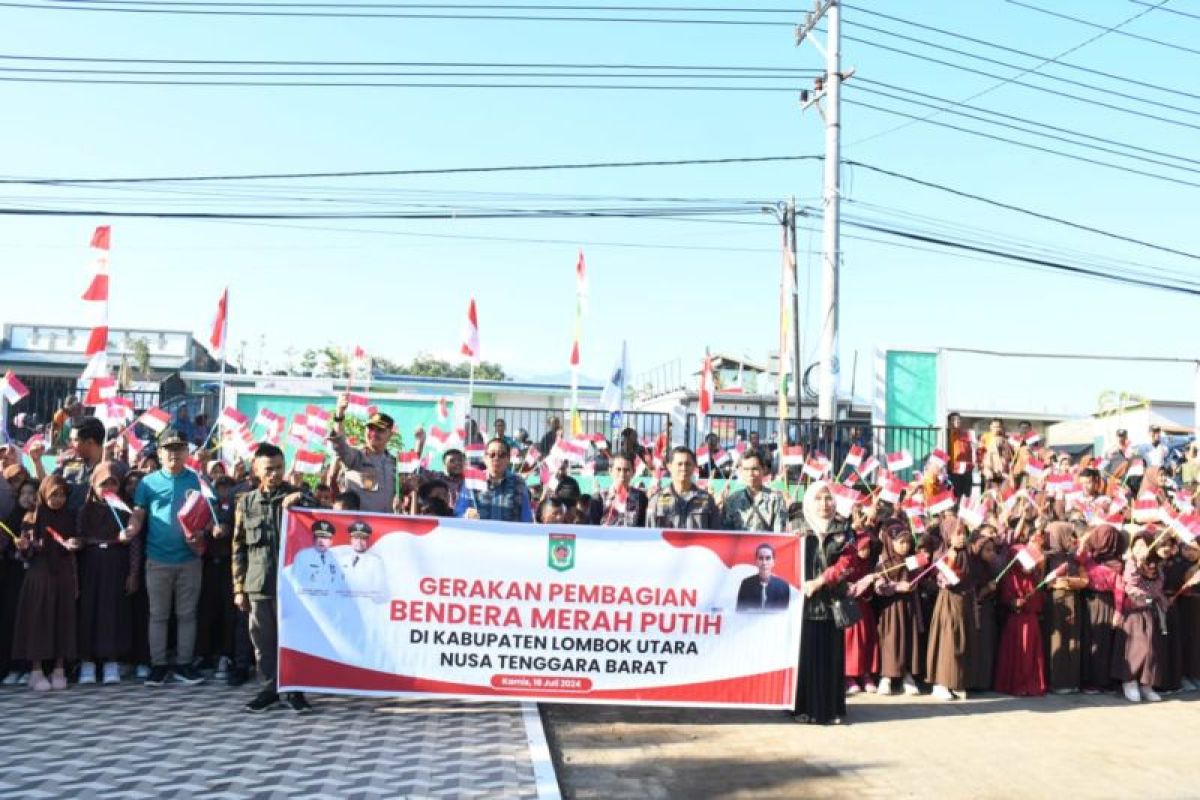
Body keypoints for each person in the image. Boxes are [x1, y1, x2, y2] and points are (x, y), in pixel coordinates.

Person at [232, 442, 315, 713]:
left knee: (292, 639)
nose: (275, 474)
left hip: (293, 584)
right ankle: (269, 689)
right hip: (259, 582)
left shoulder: (297, 496)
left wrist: (301, 499)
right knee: (263, 642)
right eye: (269, 469)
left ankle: (294, 690)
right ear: (256, 469)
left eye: (279, 468)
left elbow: (321, 512)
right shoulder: (246, 502)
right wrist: (239, 588)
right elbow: (239, 546)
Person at [123, 428, 207, 687]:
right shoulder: (148, 483)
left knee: (187, 615)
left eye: (179, 449)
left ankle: (183, 664)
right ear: (159, 453)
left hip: (189, 559)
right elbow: (139, 512)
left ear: (186, 453)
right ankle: (158, 666)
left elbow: (204, 515)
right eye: (169, 450)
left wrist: (201, 534)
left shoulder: (196, 480)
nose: (174, 454)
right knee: (158, 615)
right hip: (157, 559)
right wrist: (131, 527)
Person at [793, 481, 854, 724]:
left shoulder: (843, 529)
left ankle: (830, 710)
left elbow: (846, 564)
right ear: (809, 501)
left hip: (832, 603)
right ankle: (803, 708)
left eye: (828, 498)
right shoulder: (796, 527)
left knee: (830, 657)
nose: (824, 504)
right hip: (803, 605)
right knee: (805, 657)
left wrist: (819, 582)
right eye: (818, 498)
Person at [11, 476, 79, 691]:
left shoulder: (69, 516)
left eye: (61, 495)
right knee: (38, 620)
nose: (58, 499)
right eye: (53, 495)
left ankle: (59, 668)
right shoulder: (32, 517)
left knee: (62, 618)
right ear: (44, 494)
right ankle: (36, 670)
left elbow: (79, 539)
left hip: (64, 575)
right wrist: (24, 547)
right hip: (39, 576)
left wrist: (76, 543)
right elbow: (26, 554)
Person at [76, 463, 135, 685]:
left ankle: (111, 661)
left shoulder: (124, 509)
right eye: (104, 484)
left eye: (113, 483)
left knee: (113, 611)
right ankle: (87, 662)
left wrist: (133, 572)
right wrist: (78, 542)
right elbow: (79, 535)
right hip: (90, 566)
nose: (109, 487)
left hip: (115, 565)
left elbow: (134, 545)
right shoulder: (85, 510)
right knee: (89, 611)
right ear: (94, 485)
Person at [925, 516, 977, 701]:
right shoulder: (942, 554)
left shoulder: (967, 552)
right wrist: (950, 561)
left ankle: (957, 681)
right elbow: (944, 581)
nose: (962, 537)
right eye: (957, 534)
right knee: (948, 641)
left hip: (964, 602)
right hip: (948, 602)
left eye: (964, 533)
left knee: (962, 640)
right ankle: (941, 683)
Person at [1113, 533, 1166, 703]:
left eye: (1143, 545)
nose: (1139, 549)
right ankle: (1129, 681)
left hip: (1150, 611)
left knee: (1152, 648)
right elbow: (1130, 584)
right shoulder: (1130, 564)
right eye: (1136, 545)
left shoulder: (1155, 566)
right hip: (1134, 612)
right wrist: (1136, 563)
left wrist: (1152, 597)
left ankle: (1146, 684)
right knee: (1136, 647)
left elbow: (1158, 586)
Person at [874, 519, 922, 696]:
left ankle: (906, 676)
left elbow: (919, 577)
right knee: (890, 641)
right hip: (890, 609)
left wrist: (913, 584)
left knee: (908, 640)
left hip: (909, 607)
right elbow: (878, 587)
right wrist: (895, 587)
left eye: (908, 542)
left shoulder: (912, 561)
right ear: (889, 542)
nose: (905, 546)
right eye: (901, 542)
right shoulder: (883, 564)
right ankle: (886, 676)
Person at [994, 534, 1047, 697]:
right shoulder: (1009, 577)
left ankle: (1031, 683)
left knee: (1030, 655)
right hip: (1015, 622)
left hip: (1030, 621)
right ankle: (1016, 684)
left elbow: (1039, 600)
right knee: (1017, 655)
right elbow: (1005, 598)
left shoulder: (1033, 576)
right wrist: (1014, 602)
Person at [1042, 522, 1089, 694]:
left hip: (1073, 599)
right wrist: (1055, 583)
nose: (1072, 539)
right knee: (1058, 640)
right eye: (1068, 535)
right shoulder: (1048, 557)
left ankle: (1071, 681)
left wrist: (1070, 582)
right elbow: (1042, 582)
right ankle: (1057, 681)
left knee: (1072, 639)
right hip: (1056, 603)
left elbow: (1084, 579)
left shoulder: (1073, 557)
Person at [329, 400, 398, 514]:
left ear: (390, 434)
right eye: (370, 428)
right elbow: (339, 445)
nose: (374, 433)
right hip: (358, 527)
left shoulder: (394, 463)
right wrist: (339, 414)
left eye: (380, 430)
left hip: (385, 526)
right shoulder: (356, 457)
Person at [455, 438, 533, 522]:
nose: (496, 458)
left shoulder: (518, 482)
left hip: (509, 534)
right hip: (480, 533)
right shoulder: (473, 480)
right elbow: (458, 512)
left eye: (501, 455)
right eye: (492, 454)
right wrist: (465, 516)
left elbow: (526, 517)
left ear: (508, 459)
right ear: (485, 458)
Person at [645, 447, 720, 530]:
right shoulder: (656, 500)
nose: (684, 468)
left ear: (694, 466)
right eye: (679, 464)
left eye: (688, 464)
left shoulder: (707, 500)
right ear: (669, 467)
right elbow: (649, 534)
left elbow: (716, 534)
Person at [722, 452, 787, 532]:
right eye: (746, 469)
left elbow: (779, 533)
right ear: (741, 472)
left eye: (755, 469)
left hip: (766, 544)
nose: (750, 474)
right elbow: (726, 533)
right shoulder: (732, 500)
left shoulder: (776, 499)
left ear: (764, 470)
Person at [57, 416, 108, 512]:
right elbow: (48, 487)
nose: (70, 444)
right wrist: (37, 462)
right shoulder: (69, 464)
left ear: (90, 442)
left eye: (75, 440)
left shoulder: (112, 470)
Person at [337, 521, 387, 601]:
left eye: (363, 538)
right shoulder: (342, 560)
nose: (359, 542)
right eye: (356, 538)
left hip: (366, 609)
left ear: (368, 540)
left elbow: (380, 591)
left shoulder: (375, 562)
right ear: (351, 540)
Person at [291, 519, 343, 592]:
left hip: (332, 599)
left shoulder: (337, 558)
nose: (321, 541)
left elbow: (341, 582)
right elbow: (295, 581)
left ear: (331, 542)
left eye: (325, 538)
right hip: (310, 599)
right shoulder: (303, 556)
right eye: (319, 537)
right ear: (313, 539)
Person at [735, 543, 790, 611]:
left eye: (768, 558)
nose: (764, 562)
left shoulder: (783, 587)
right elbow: (739, 612)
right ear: (756, 561)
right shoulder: (746, 584)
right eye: (761, 558)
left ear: (773, 562)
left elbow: (784, 616)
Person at [597, 454, 647, 527]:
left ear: (633, 472)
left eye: (626, 470)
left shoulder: (640, 497)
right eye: (618, 469)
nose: (622, 474)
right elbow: (592, 527)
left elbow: (642, 526)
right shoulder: (599, 497)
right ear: (610, 471)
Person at [946, 412, 974, 499]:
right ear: (949, 422)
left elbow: (970, 450)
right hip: (954, 469)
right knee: (955, 495)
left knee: (966, 496)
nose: (957, 421)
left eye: (958, 419)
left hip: (966, 469)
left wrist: (971, 465)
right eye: (954, 420)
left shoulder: (965, 434)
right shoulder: (947, 434)